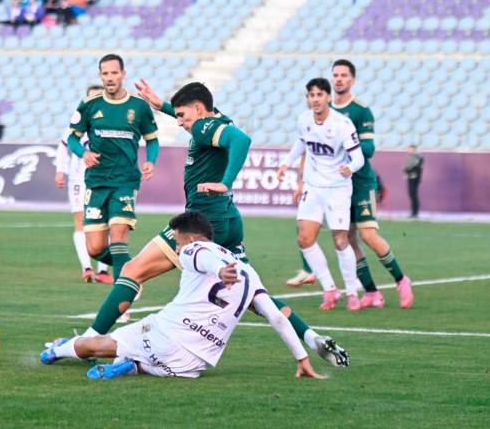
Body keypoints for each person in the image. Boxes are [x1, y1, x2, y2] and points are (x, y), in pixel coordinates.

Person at [56, 80, 349, 368]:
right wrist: (163, 106)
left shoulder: (201, 126)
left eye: (182, 116)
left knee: (133, 271)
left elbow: (241, 140)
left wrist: (225, 182)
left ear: (198, 109)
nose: (180, 123)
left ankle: (88, 341)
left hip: (201, 222)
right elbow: (211, 122)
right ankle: (312, 337)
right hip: (228, 219)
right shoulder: (217, 118)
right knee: (254, 294)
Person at [40, 211, 326, 380]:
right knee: (145, 361)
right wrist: (301, 357)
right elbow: (276, 317)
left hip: (165, 335)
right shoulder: (249, 272)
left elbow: (203, 259)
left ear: (189, 238)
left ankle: (56, 351)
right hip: (194, 365)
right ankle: (130, 366)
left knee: (93, 345)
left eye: (176, 241)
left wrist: (219, 271)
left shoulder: (193, 249)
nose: (176, 247)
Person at [64, 54, 159, 285]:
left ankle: (124, 291)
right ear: (100, 75)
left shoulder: (138, 106)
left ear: (123, 74)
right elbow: (72, 138)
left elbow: (152, 139)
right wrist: (84, 153)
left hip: (125, 181)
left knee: (118, 237)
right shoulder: (89, 105)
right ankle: (130, 269)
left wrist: (151, 160)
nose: (109, 77)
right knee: (95, 248)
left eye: (114, 73)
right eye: (105, 73)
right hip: (96, 182)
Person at [329, 59, 413, 309]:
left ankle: (401, 280)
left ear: (352, 80)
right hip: (337, 185)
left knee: (368, 234)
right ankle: (371, 292)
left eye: (344, 75)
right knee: (346, 239)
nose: (339, 79)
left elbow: (369, 148)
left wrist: (344, 144)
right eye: (336, 75)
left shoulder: (361, 110)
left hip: (361, 182)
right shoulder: (326, 110)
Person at [276, 78, 365, 311]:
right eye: (311, 95)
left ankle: (352, 292)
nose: (315, 99)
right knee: (305, 239)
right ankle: (330, 289)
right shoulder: (304, 120)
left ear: (328, 97)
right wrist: (286, 163)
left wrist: (350, 168)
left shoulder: (342, 124)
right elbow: (301, 143)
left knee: (340, 240)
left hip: (337, 188)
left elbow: (359, 158)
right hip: (313, 187)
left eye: (319, 95)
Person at [55, 84, 113, 284]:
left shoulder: (113, 123)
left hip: (105, 179)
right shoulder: (78, 123)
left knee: (108, 223)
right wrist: (61, 170)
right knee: (80, 222)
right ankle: (87, 268)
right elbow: (64, 145)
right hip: (79, 179)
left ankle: (103, 271)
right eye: (91, 98)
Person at [404, 144, 423, 219]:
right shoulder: (413, 156)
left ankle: (415, 213)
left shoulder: (417, 156)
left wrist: (406, 170)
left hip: (414, 177)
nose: (408, 150)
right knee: (412, 195)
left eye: (409, 148)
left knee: (413, 194)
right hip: (411, 176)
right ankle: (413, 212)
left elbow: (410, 166)